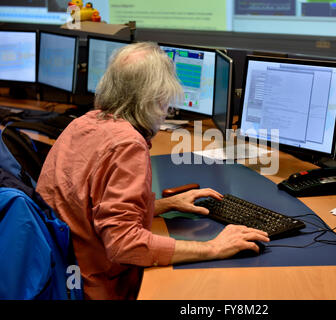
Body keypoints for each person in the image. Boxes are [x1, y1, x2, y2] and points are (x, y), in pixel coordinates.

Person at [36, 42, 269, 300]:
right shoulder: (127, 145)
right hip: (92, 285)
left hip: (58, 271)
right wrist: (213, 247)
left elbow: (91, 207)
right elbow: (124, 245)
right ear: (154, 98)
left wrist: (162, 204)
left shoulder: (82, 124)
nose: (167, 107)